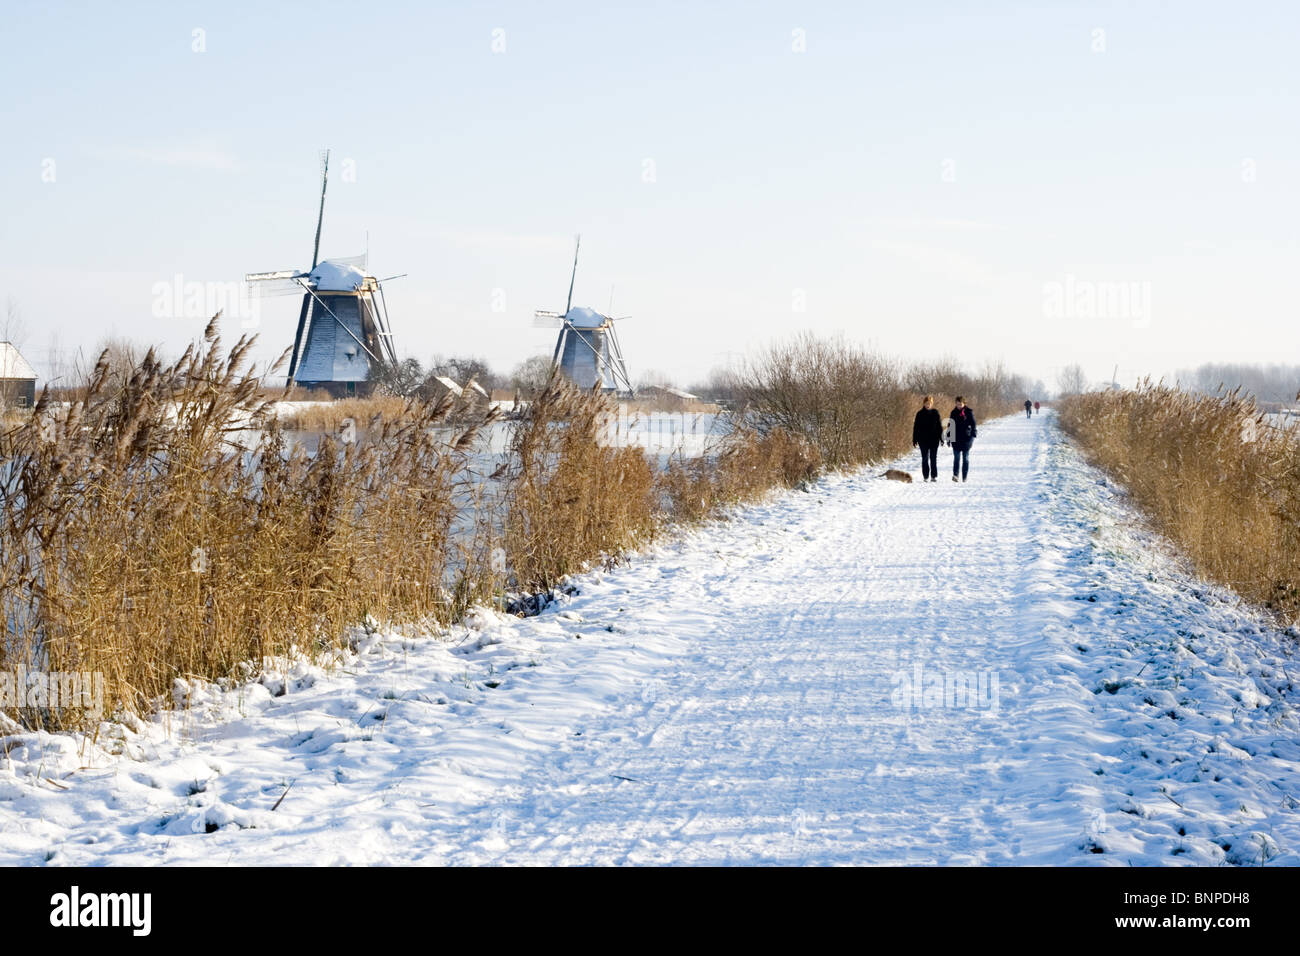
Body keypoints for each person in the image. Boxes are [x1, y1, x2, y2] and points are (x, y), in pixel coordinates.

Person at [911, 394, 943, 482]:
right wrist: (914, 439)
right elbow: (916, 427)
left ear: (932, 404)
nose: (928, 405)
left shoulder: (935, 413)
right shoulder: (919, 414)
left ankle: (933, 476)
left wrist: (941, 438)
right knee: (924, 458)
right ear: (924, 404)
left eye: (929, 403)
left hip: (934, 439)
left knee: (933, 458)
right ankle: (925, 476)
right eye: (926, 403)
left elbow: (939, 427)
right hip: (923, 440)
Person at [948, 395, 977, 482]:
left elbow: (973, 424)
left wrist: (972, 435)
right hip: (956, 439)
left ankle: (964, 476)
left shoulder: (969, 412)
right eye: (957, 404)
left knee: (965, 458)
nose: (959, 406)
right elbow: (950, 425)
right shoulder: (953, 412)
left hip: (966, 439)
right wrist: (949, 438)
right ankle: (955, 475)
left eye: (960, 404)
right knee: (956, 458)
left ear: (964, 403)